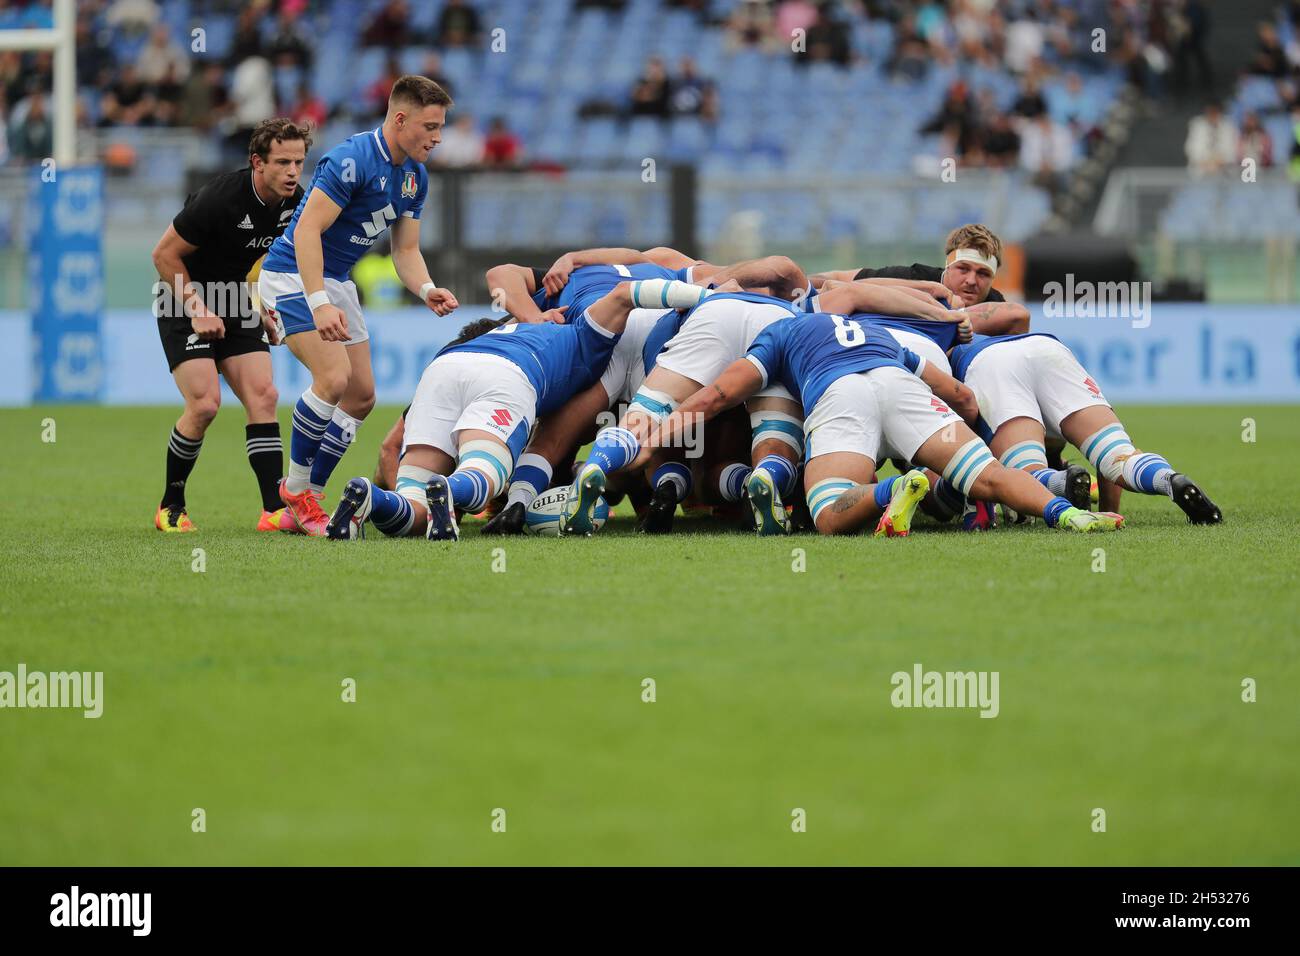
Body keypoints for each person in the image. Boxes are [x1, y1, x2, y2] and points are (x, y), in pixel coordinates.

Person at [632, 314, 1127, 537]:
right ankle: (1068, 515)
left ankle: (893, 490)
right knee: (991, 475)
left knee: (828, 511)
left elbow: (720, 395)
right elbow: (960, 396)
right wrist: (965, 433)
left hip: (841, 397)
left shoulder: (779, 331)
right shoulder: (875, 331)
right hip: (900, 384)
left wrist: (659, 432)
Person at [324, 278, 703, 541]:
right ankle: (453, 490)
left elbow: (391, 445)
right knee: (484, 468)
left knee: (412, 506)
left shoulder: (482, 338)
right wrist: (706, 297)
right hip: (510, 375)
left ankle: (374, 500)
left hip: (440, 370)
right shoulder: (573, 333)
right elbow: (626, 295)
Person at [258, 75, 460, 536]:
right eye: (430, 126)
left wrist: (426, 287)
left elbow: (405, 251)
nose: (437, 137)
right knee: (332, 379)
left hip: (336, 281)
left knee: (361, 395)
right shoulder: (351, 160)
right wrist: (319, 303)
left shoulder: (415, 177)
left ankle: (305, 500)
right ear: (400, 117)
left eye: (441, 126)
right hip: (293, 274)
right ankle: (296, 490)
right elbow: (307, 231)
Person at [150, 119, 309, 532]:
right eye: (283, 162)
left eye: (299, 161)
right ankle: (171, 505)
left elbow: (278, 263)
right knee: (204, 404)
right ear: (257, 162)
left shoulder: (296, 204)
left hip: (235, 297)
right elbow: (164, 255)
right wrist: (198, 307)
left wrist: (262, 309)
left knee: (264, 394)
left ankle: (273, 511)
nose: (293, 171)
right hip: (180, 294)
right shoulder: (220, 198)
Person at [950, 332, 1221, 525]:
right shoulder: (1004, 315)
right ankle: (1169, 480)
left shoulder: (946, 341)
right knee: (1118, 455)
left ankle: (1060, 482)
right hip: (1046, 348)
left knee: (1026, 470)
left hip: (988, 363)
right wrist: (1109, 511)